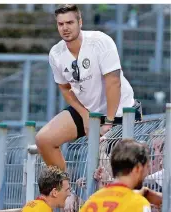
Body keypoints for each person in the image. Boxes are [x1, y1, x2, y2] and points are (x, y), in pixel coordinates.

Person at [35, 4, 142, 171]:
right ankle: (66, 191)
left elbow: (114, 82)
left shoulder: (100, 41)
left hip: (120, 111)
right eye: (61, 24)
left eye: (70, 23)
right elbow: (65, 88)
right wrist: (85, 115)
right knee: (44, 139)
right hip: (88, 110)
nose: (65, 28)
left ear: (80, 22)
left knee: (114, 169)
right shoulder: (56, 53)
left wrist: (108, 122)